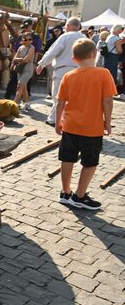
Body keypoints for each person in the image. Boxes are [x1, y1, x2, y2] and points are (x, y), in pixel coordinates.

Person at [55, 38, 116, 210]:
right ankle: (80, 196)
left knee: (67, 159)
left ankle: (65, 192)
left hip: (70, 126)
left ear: (74, 59)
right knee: (90, 163)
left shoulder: (68, 76)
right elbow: (108, 101)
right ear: (94, 54)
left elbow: (60, 102)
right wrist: (108, 122)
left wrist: (57, 123)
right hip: (92, 128)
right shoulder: (103, 74)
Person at [36, 17, 86, 126]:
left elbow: (52, 52)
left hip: (63, 70)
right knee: (74, 96)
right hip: (80, 71)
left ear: (67, 26)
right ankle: (68, 119)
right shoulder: (85, 38)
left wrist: (41, 64)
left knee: (58, 95)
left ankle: (54, 119)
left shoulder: (65, 37)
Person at [12, 32, 35, 110]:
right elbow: (14, 57)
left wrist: (18, 59)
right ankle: (27, 103)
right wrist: (19, 59)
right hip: (20, 69)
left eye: (30, 39)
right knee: (23, 87)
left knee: (19, 86)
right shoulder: (20, 47)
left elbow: (26, 60)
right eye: (26, 39)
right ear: (22, 40)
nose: (28, 41)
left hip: (28, 70)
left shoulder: (32, 48)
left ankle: (13, 105)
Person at [43, 25, 64, 97]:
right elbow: (46, 52)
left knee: (61, 77)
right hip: (51, 61)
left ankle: (59, 92)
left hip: (61, 61)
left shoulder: (64, 39)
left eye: (58, 31)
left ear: (61, 31)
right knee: (50, 77)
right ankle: (50, 93)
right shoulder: (50, 41)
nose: (56, 32)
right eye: (55, 31)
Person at [103, 24, 124, 92]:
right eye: (122, 29)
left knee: (107, 73)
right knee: (112, 74)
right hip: (113, 57)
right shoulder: (116, 38)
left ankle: (105, 89)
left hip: (107, 56)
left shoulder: (110, 36)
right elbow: (119, 50)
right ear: (118, 29)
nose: (122, 30)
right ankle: (109, 91)